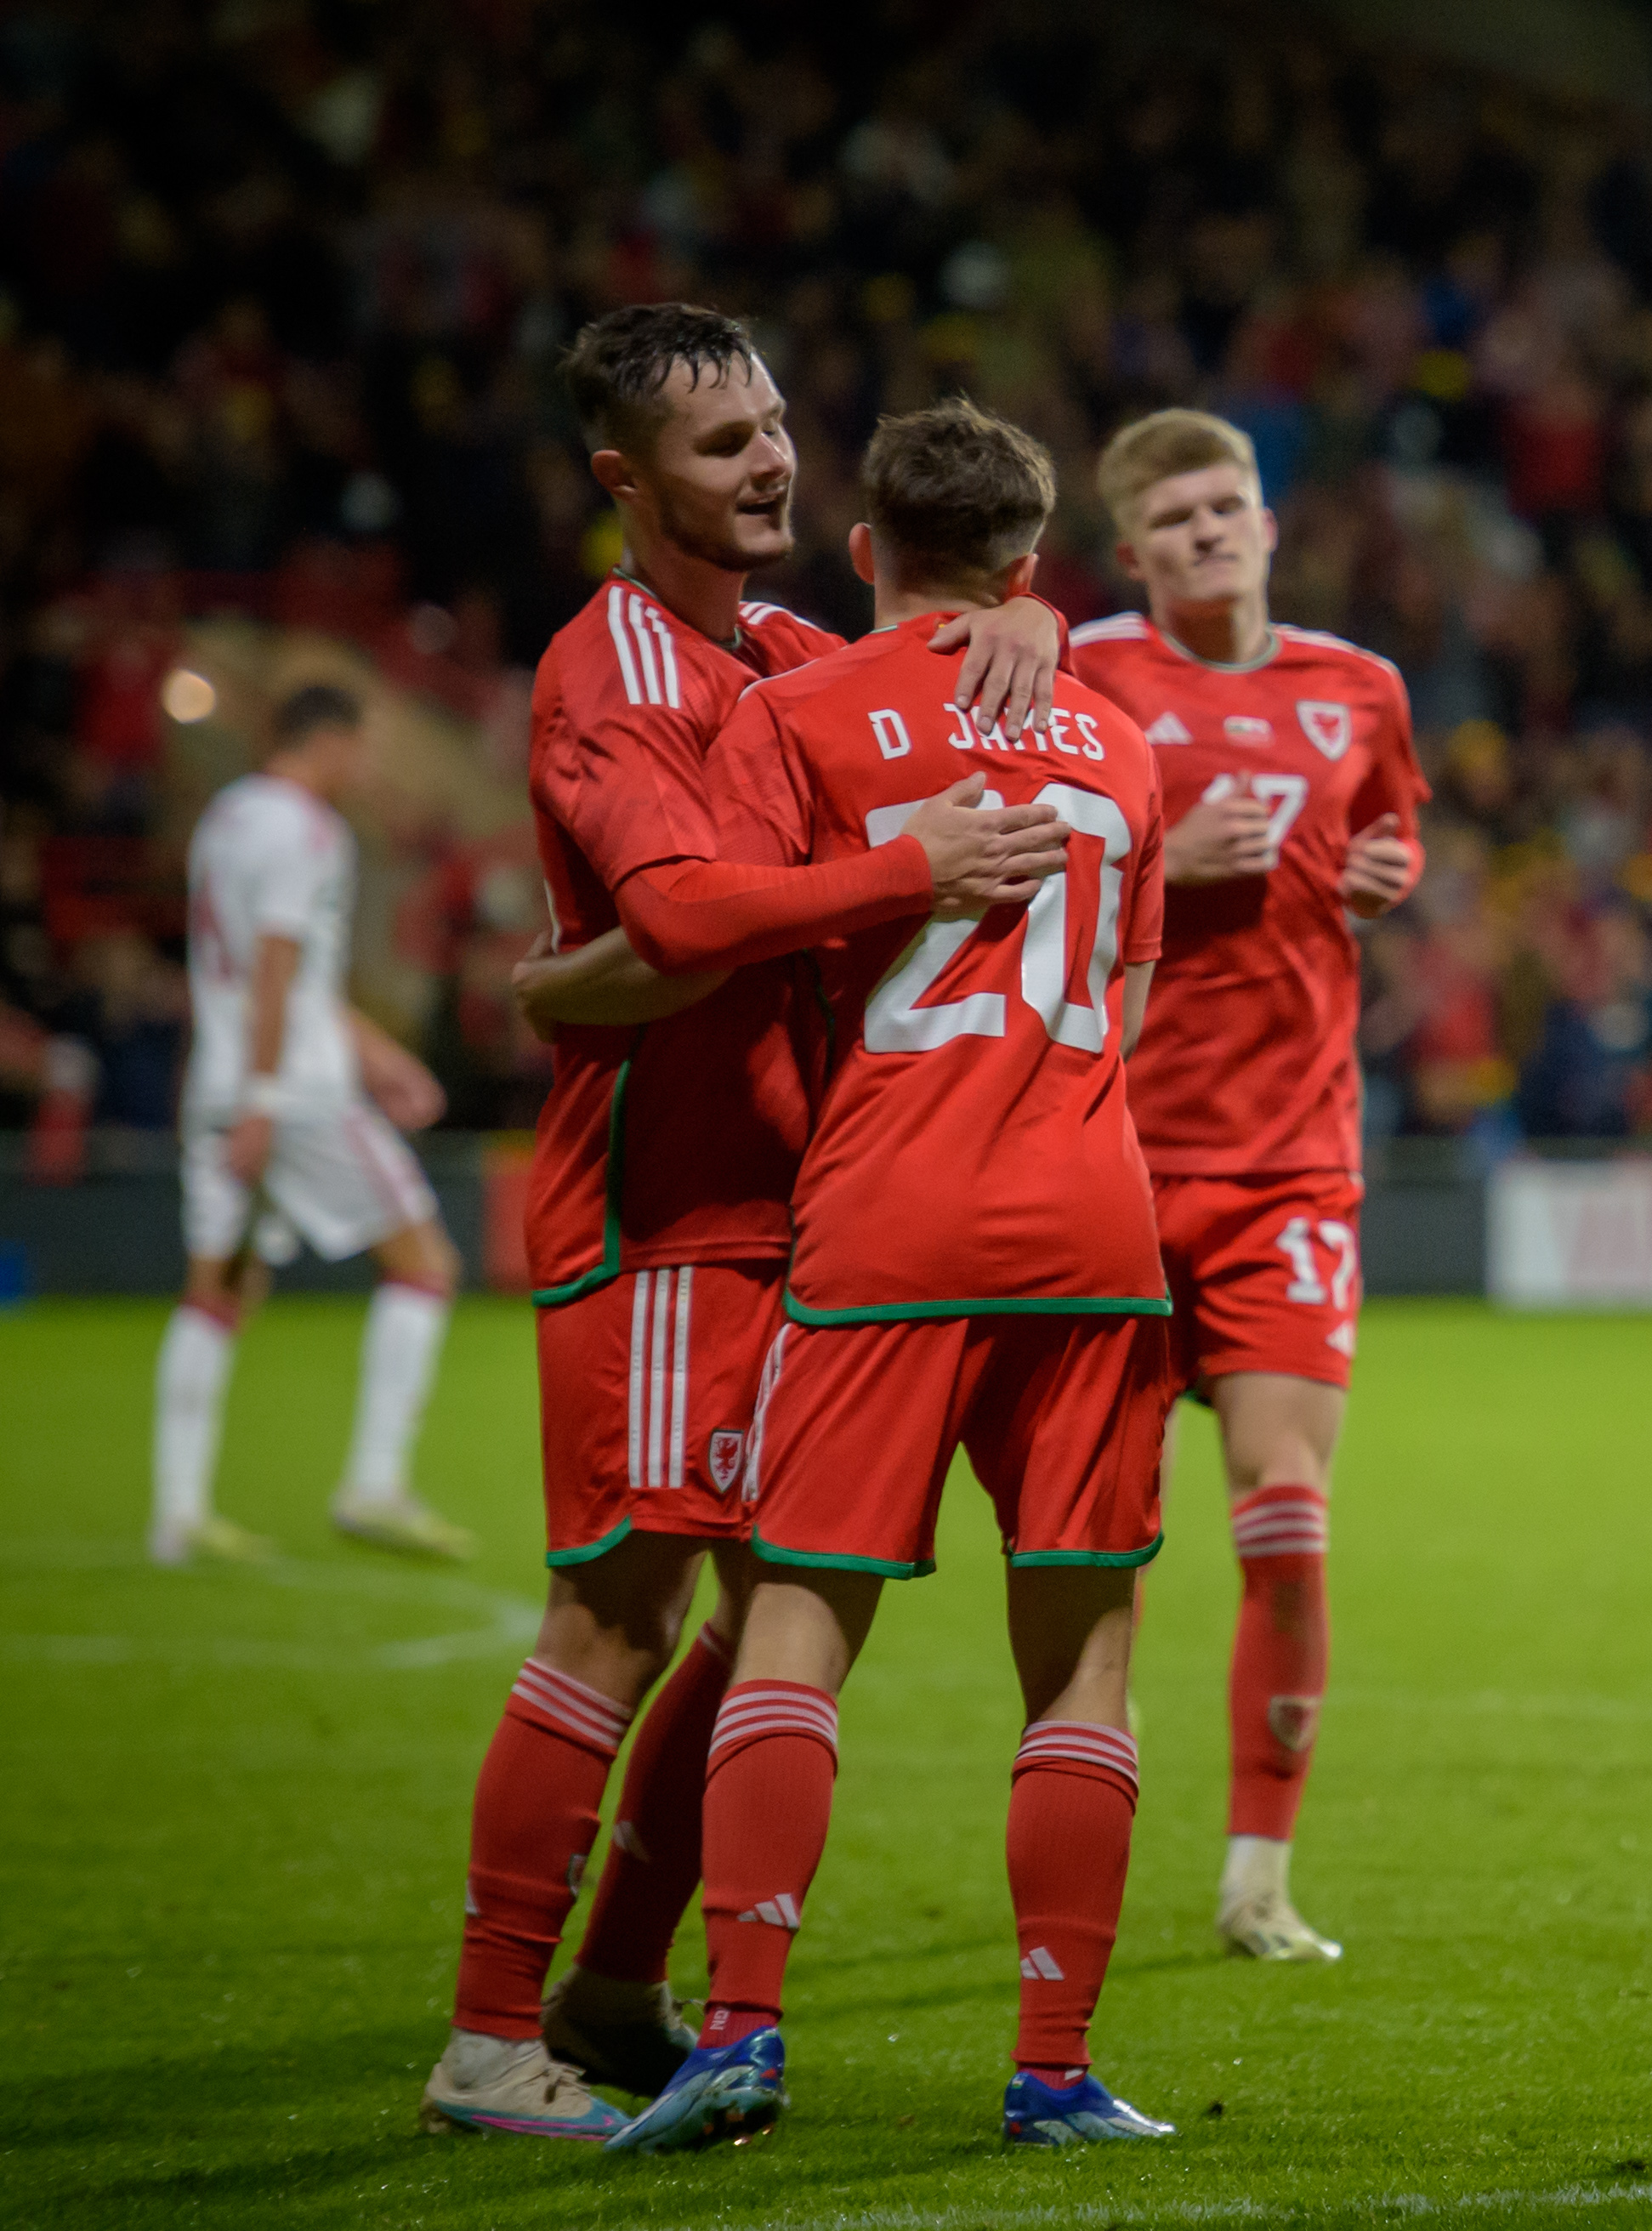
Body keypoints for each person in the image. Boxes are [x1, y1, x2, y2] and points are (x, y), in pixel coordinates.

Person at [422, 303, 1071, 2143]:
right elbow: (694, 920)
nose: (773, 461)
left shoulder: (786, 642)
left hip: (811, 1211)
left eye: (778, 426)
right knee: (617, 1611)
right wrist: (903, 865)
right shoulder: (609, 673)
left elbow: (963, 664)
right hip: (672, 1214)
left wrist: (1026, 610)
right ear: (624, 479)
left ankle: (618, 1976)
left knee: (776, 1611)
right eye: (724, 446)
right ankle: (483, 2038)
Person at [612, 398, 1176, 2154]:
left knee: (796, 1622)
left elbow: (703, 931)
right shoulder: (1117, 741)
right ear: (1029, 567)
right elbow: (1136, 1008)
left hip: (883, 1221)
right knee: (1082, 1653)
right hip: (1091, 1226)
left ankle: (742, 2032)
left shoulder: (798, 710)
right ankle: (1055, 2067)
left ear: (865, 551)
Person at [1064, 408, 1424, 1961]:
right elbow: (1011, 864)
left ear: (1270, 523)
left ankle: (1256, 1877)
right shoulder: (1077, 671)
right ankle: (1074, 1852)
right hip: (1108, 1158)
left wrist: (1386, 874)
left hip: (1290, 1164)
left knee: (1285, 1510)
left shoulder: (1359, 689)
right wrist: (1157, 851)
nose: (1211, 531)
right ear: (1133, 552)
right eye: (1178, 517)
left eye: (1230, 506)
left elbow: (1390, 832)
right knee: (1094, 1548)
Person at [156, 681, 471, 1569]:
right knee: (426, 1265)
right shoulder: (306, 829)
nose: (364, 766)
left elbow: (272, 974)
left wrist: (376, 1054)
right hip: (291, 1091)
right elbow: (277, 964)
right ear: (327, 741)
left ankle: (177, 1514)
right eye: (360, 745)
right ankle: (374, 1482)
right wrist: (267, 1096)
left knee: (216, 1289)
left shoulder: (225, 818)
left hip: (220, 1080)